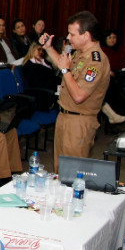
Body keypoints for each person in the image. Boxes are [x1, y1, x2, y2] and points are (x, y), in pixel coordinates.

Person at [38, 11, 111, 172]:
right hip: (65, 116)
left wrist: (65, 71)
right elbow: (64, 65)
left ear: (86, 35)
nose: (68, 38)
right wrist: (49, 49)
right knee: (59, 171)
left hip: (79, 121)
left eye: (72, 34)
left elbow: (79, 96)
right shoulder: (80, 53)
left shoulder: (95, 61)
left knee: (71, 174)